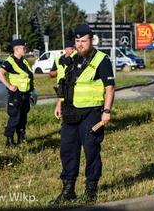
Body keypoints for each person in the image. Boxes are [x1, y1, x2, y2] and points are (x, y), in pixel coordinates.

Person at [51, 24, 115, 205]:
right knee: (68, 151)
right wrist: (59, 103)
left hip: (91, 114)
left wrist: (107, 111)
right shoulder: (69, 59)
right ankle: (68, 189)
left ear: (91, 40)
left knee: (91, 151)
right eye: (77, 41)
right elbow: (64, 84)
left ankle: (91, 189)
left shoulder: (101, 60)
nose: (80, 45)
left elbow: (110, 88)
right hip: (70, 112)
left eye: (84, 41)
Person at [0, 39, 34, 147]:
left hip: (25, 94)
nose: (25, 49)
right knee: (15, 117)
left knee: (23, 117)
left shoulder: (24, 60)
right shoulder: (10, 61)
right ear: (17, 49)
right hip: (16, 95)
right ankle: (9, 139)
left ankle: (21, 137)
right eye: (23, 47)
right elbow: (0, 74)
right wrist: (9, 86)